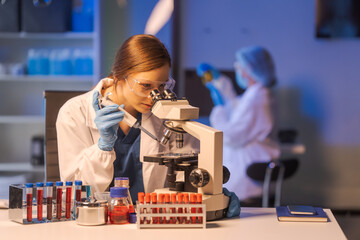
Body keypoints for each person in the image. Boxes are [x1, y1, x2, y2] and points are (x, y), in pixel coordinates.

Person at [56, 34, 240, 217]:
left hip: (153, 221)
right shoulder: (74, 113)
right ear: (119, 76)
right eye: (145, 85)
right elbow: (73, 196)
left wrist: (211, 192)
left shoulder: (165, 114)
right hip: (97, 223)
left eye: (161, 87)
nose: (154, 96)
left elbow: (188, 170)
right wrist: (102, 148)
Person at [197, 46, 280, 201]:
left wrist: (219, 108)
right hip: (250, 172)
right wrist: (220, 81)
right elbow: (236, 107)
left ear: (249, 69)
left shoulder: (257, 99)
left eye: (238, 66)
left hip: (247, 180)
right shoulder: (258, 93)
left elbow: (229, 136)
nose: (238, 71)